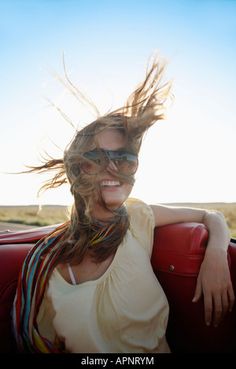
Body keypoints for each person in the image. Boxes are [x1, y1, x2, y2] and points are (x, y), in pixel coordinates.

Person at [12, 57, 234, 353]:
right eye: (96, 159)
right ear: (77, 171)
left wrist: (217, 255)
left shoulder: (139, 217)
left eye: (125, 159)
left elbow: (212, 215)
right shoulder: (45, 265)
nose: (112, 169)